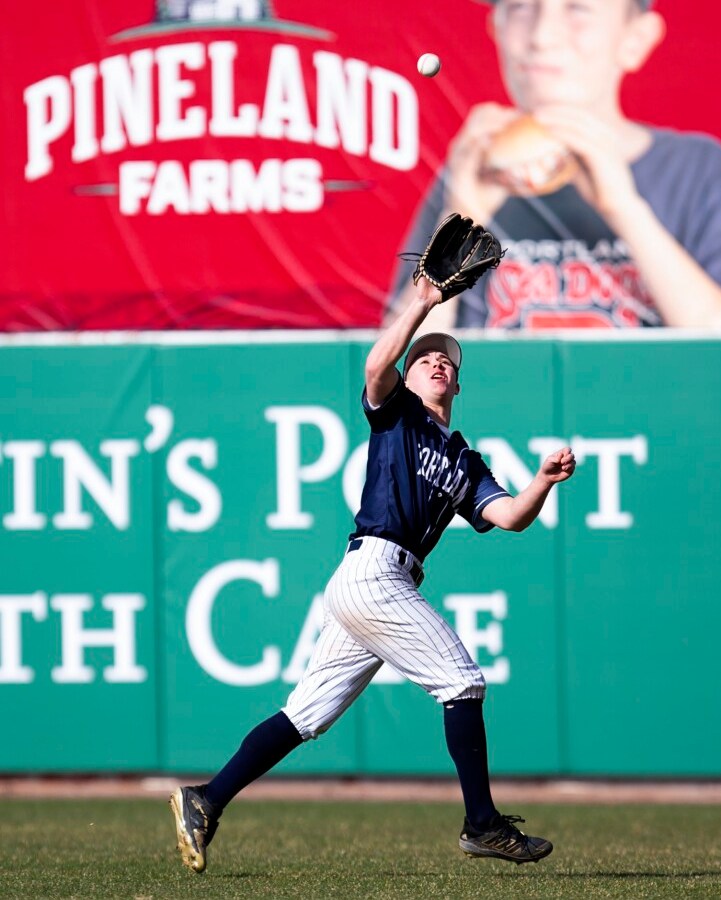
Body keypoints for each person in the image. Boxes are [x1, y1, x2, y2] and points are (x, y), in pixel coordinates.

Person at [170, 271, 577, 874]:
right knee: (462, 682)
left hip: (377, 583)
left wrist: (542, 481)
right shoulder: (400, 414)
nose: (437, 362)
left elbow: (511, 517)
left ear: (458, 384)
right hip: (373, 571)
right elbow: (374, 367)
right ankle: (481, 823)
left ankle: (206, 799)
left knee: (305, 715)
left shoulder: (466, 461)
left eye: (447, 361)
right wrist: (423, 303)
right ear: (408, 377)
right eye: (425, 358)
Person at [385, 0, 721, 330]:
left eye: (578, 7)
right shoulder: (469, 172)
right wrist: (462, 215)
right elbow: (398, 360)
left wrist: (626, 209)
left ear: (635, 39)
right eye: (520, 6)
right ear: (496, 29)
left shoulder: (696, 169)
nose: (542, 36)